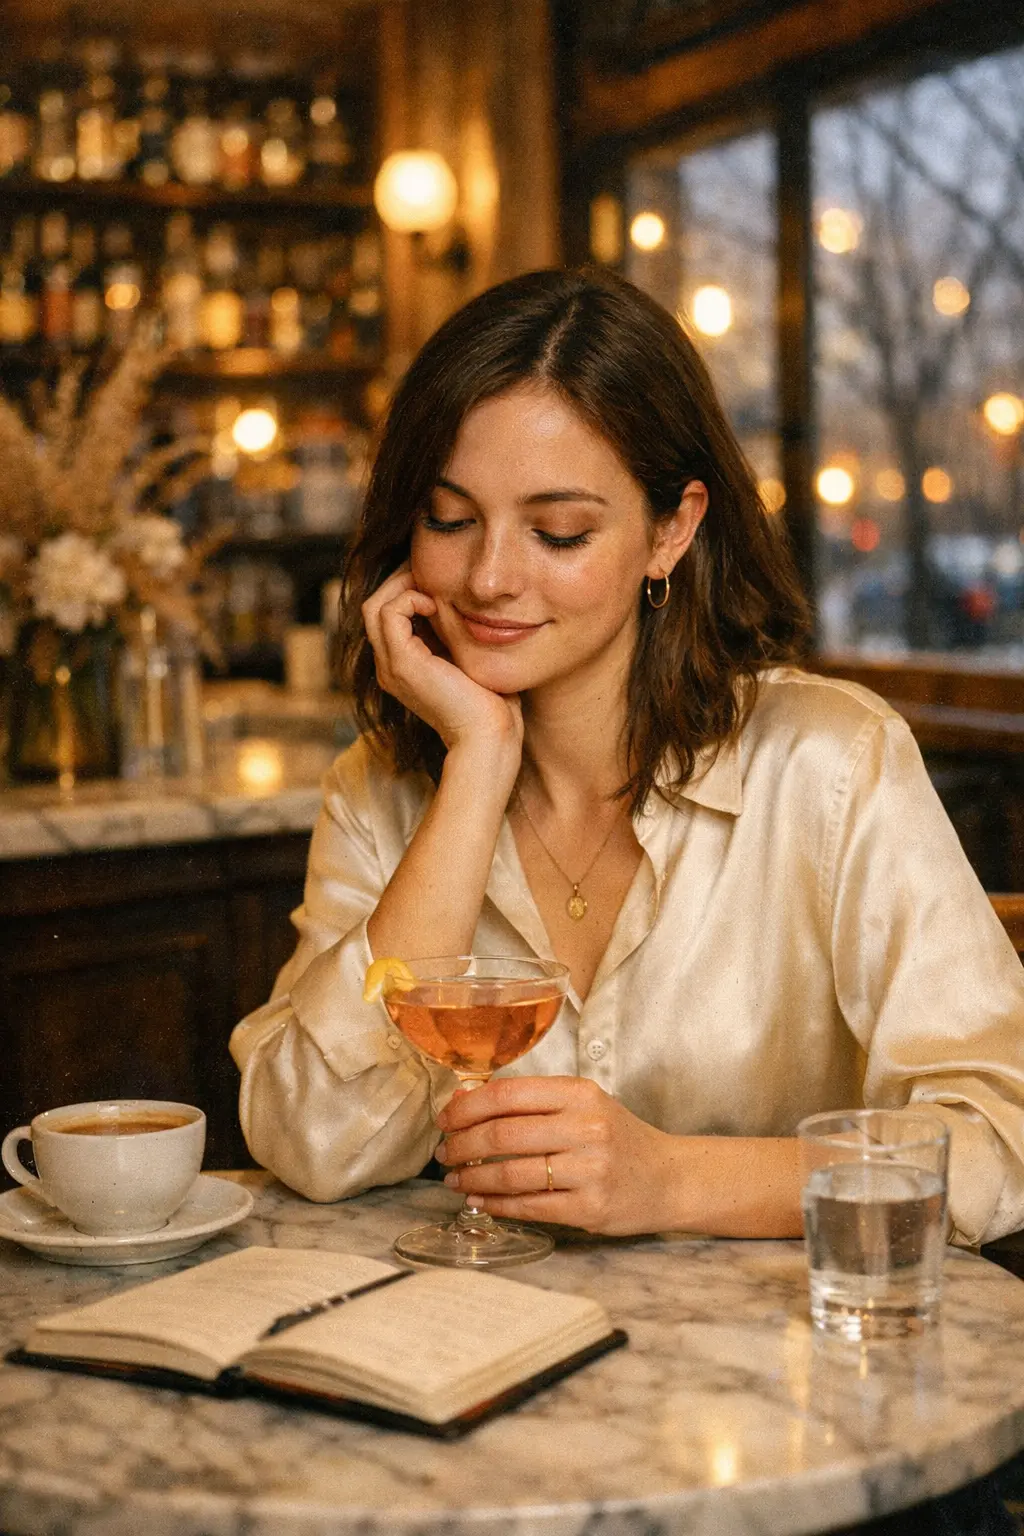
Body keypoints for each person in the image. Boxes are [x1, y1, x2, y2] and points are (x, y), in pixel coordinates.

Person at [230, 267, 1024, 1247]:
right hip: (485, 1362)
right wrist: (477, 765)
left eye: (557, 530)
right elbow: (313, 1142)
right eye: (449, 519)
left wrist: (675, 1180)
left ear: (671, 530)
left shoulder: (828, 764)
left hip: (776, 1376)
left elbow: (995, 1144)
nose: (487, 577)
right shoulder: (380, 792)